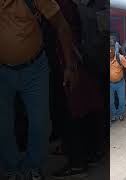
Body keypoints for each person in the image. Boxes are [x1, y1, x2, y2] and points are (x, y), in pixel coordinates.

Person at [0, 0, 78, 179]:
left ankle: (33, 167)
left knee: (40, 123)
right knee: (3, 126)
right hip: (2, 73)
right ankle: (12, 169)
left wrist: (70, 67)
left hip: (34, 69)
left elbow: (62, 26)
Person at [110, 39, 126, 122]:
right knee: (111, 101)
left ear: (114, 49)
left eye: (112, 49)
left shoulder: (120, 57)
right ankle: (114, 115)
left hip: (120, 83)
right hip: (110, 84)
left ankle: (120, 114)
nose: (110, 51)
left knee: (122, 100)